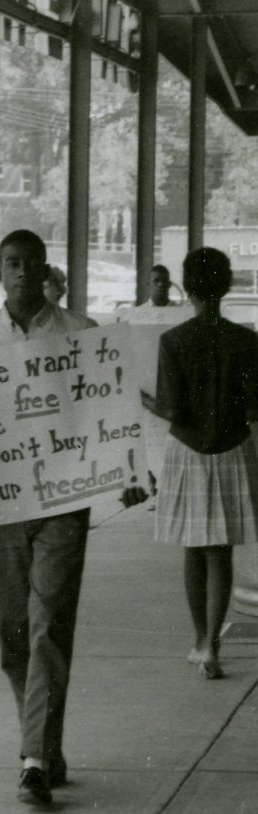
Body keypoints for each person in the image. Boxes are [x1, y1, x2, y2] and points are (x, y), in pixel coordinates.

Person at [0, 229, 147, 806]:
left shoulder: (80, 335)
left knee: (49, 620)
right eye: (12, 264)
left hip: (61, 504)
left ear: (46, 269)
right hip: (2, 505)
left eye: (31, 264)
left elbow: (108, 408)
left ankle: (31, 759)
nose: (22, 273)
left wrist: (126, 472)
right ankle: (44, 742)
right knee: (13, 637)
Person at [141, 247, 258, 681]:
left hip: (187, 451)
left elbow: (171, 410)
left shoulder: (173, 341)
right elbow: (254, 409)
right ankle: (214, 642)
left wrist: (143, 401)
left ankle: (198, 640)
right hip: (231, 447)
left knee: (194, 549)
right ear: (226, 286)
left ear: (186, 288)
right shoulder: (247, 341)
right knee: (221, 550)